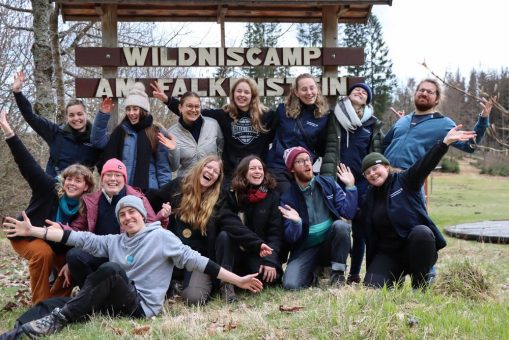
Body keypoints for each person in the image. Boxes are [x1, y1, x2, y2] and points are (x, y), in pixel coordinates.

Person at [2, 195, 263, 338]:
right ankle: (17, 332)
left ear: (142, 215)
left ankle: (58, 321)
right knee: (50, 304)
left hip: (140, 306)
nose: (127, 217)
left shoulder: (161, 237)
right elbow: (75, 237)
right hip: (114, 302)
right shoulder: (114, 240)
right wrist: (33, 230)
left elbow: (199, 261)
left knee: (112, 271)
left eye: (132, 212)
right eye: (122, 215)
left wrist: (237, 280)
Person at [360, 126, 475, 289]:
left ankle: (419, 284)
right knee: (372, 288)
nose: (372, 173)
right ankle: (395, 280)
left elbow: (425, 164)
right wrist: (350, 188)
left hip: (415, 248)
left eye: (375, 168)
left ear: (386, 167)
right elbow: (363, 226)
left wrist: (444, 143)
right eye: (367, 172)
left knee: (422, 232)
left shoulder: (405, 180)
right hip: (389, 254)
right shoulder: (369, 197)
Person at [147, 155, 271, 304]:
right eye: (208, 167)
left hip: (199, 258)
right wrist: (159, 214)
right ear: (200, 168)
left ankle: (193, 284)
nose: (210, 172)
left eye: (215, 171)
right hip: (172, 254)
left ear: (217, 178)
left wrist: (257, 243)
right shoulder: (178, 186)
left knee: (194, 299)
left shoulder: (218, 199)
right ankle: (174, 282)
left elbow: (232, 222)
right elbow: (150, 199)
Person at [0, 111, 95, 304]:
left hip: (56, 244)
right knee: (44, 254)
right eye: (69, 179)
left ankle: (56, 303)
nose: (72, 184)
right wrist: (8, 131)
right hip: (25, 234)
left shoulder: (87, 207)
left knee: (73, 262)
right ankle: (40, 304)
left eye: (78, 181)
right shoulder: (48, 188)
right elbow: (27, 163)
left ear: (86, 186)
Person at [62, 158, 169, 289]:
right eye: (108, 175)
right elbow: (77, 229)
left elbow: (152, 229)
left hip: (127, 255)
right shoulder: (91, 200)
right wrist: (61, 229)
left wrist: (162, 217)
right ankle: (91, 295)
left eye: (117, 175)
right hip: (99, 250)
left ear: (124, 179)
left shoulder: (138, 198)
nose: (113, 179)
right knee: (73, 255)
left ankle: (118, 294)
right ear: (102, 178)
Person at [151, 78, 278, 184]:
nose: (242, 95)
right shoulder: (224, 115)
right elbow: (194, 113)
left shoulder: (267, 116)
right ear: (233, 94)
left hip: (257, 174)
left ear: (253, 95)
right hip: (231, 176)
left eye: (246, 92)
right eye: (239, 91)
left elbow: (281, 131)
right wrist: (168, 101)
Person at [320, 83, 384, 284]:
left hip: (363, 183)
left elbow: (378, 152)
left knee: (361, 229)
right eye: (357, 89)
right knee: (335, 226)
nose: (360, 92)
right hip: (335, 179)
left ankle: (355, 273)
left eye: (365, 92)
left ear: (368, 100)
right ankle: (330, 270)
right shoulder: (334, 117)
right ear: (348, 95)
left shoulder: (372, 124)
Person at [278, 146, 357, 289]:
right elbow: (291, 237)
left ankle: (338, 274)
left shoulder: (328, 183)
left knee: (341, 226)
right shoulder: (287, 198)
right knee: (290, 285)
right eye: (300, 161)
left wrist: (351, 187)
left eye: (308, 159)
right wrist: (297, 223)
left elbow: (348, 213)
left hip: (329, 243)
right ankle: (315, 272)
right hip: (305, 248)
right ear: (292, 169)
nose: (307, 163)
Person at [383, 78, 494, 170]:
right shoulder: (403, 120)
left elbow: (469, 146)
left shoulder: (443, 124)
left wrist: (483, 119)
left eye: (430, 92)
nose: (424, 93)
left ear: (437, 99)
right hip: (383, 178)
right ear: (415, 94)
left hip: (408, 182)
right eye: (421, 90)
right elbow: (384, 144)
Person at [12, 71, 100, 177]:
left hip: (81, 189)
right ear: (67, 117)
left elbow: (104, 165)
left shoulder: (95, 139)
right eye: (71, 115)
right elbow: (31, 117)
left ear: (86, 114)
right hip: (55, 187)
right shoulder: (56, 132)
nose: (76, 118)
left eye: (79, 114)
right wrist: (18, 93)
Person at [91, 82, 172, 191]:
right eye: (128, 109)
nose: (131, 113)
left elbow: (163, 168)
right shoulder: (120, 132)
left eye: (135, 109)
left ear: (143, 111)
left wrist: (164, 194)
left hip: (149, 192)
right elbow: (98, 141)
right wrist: (103, 115)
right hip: (121, 189)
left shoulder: (156, 133)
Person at [221, 155, 283, 285]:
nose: (257, 171)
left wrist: (270, 260)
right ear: (243, 172)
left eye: (260, 168)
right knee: (224, 235)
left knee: (270, 280)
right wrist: (257, 243)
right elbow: (229, 223)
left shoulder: (272, 196)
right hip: (235, 250)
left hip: (258, 252)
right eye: (253, 168)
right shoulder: (231, 194)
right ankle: (225, 283)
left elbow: (275, 232)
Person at [266, 73, 330, 193]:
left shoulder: (324, 116)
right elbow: (267, 136)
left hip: (303, 168)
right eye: (304, 89)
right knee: (288, 200)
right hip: (279, 167)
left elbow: (322, 148)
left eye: (312, 88)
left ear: (317, 89)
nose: (309, 92)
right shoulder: (282, 111)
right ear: (296, 92)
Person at [158, 91, 223, 177]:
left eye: (197, 106)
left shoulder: (213, 125)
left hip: (210, 181)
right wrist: (173, 150)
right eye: (189, 106)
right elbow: (173, 167)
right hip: (186, 184)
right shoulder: (172, 133)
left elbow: (221, 148)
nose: (193, 110)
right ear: (180, 107)